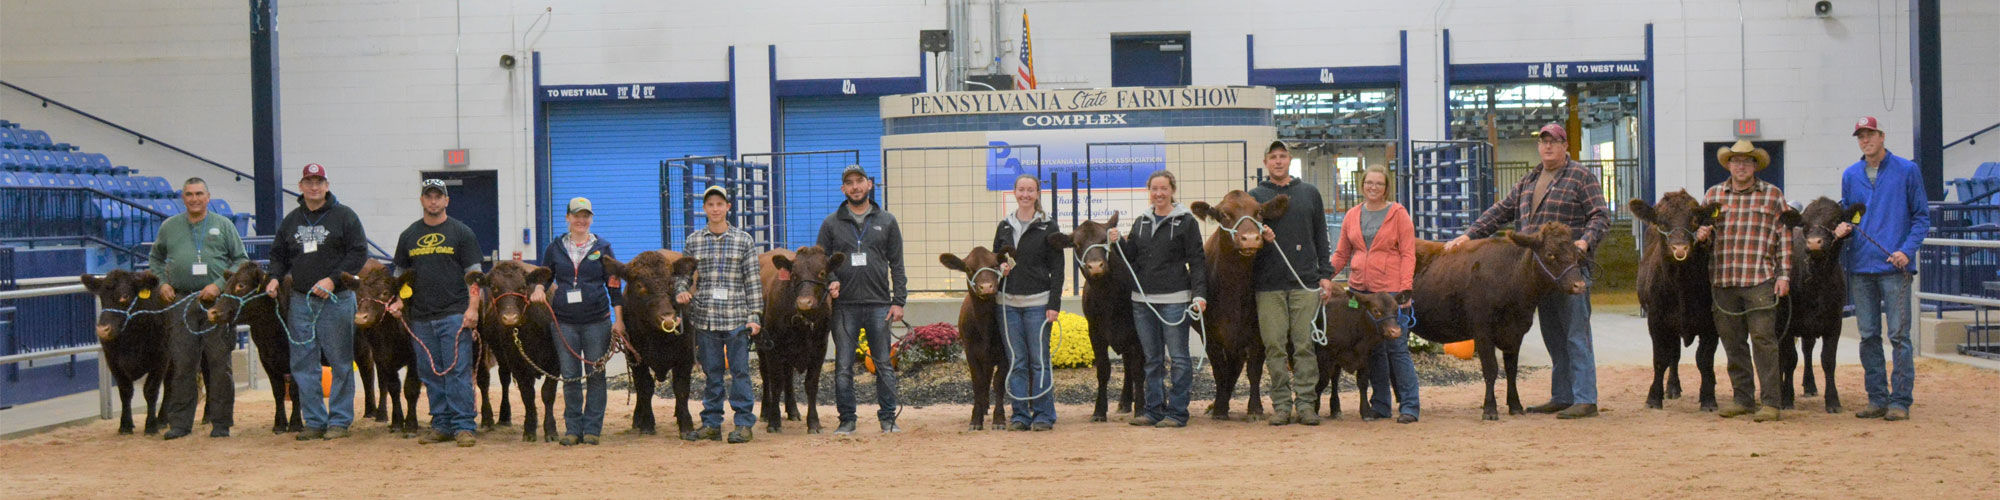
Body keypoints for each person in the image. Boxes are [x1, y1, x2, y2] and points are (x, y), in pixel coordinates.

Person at [1446, 122, 1610, 419]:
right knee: (1554, 336)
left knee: (1575, 333)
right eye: (1543, 141)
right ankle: (1563, 395)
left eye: (1554, 141)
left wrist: (1585, 241)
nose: (1548, 146)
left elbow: (1600, 215)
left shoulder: (1581, 177)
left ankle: (1585, 398)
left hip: (1569, 268)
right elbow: (1501, 210)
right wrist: (1470, 234)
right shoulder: (1529, 180)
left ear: (1565, 147)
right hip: (1538, 274)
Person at [264, 163, 369, 441]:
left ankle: (339, 420)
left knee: (340, 361)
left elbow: (358, 252)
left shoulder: (345, 217)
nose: (314, 187)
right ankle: (314, 420)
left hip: (337, 299)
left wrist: (333, 279)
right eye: (308, 181)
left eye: (319, 181)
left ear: (327, 185)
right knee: (303, 362)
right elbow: (278, 255)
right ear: (300, 186)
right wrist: (274, 277)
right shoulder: (291, 221)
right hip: (301, 300)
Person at [1835, 117, 1929, 422]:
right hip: (1861, 266)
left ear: (1882, 136)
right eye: (1861, 136)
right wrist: (1843, 229)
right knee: (1869, 335)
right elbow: (1851, 213)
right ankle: (1876, 397)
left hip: (1895, 266)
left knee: (1899, 335)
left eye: (1870, 134)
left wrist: (1906, 250)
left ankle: (1900, 400)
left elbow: (1921, 217)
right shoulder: (1851, 175)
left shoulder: (1907, 170)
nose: (1866, 140)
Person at [1696, 140, 1792, 423]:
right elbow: (1704, 231)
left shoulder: (1772, 195)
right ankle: (1743, 398)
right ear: (1728, 165)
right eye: (1736, 161)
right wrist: (1701, 234)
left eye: (1747, 161)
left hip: (1760, 278)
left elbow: (1784, 236)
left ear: (1755, 166)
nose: (1741, 166)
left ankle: (1771, 402)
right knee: (1732, 342)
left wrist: (1784, 274)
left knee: (1764, 340)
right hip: (1723, 280)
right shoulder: (1713, 195)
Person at [151, 177, 250, 439]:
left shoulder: (223, 225)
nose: (194, 199)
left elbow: (241, 260)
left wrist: (219, 285)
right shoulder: (169, 227)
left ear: (208, 197)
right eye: (189, 194)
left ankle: (220, 423)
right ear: (182, 198)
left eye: (199, 194)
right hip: (181, 302)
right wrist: (162, 282)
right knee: (182, 364)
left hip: (216, 303)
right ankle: (181, 424)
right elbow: (155, 258)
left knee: (219, 363)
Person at [388, 179, 484, 446]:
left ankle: (464, 425)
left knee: (457, 371)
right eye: (428, 196)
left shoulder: (461, 232)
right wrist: (397, 301)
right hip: (420, 317)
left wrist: (473, 308)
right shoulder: (408, 235)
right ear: (421, 200)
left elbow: (474, 274)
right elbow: (400, 276)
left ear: (446, 201)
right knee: (430, 373)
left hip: (454, 313)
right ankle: (441, 424)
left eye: (438, 196)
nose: (433, 201)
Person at [1109, 170, 1207, 429]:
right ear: (1149, 191)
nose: (1159, 193)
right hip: (1142, 301)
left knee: (1179, 358)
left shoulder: (1186, 222)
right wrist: (1117, 243)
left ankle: (1177, 412)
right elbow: (1131, 257)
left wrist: (1199, 294)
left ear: (1172, 190)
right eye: (1154, 189)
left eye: (1163, 188)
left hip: (1175, 300)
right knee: (1151, 359)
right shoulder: (1141, 221)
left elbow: (1197, 260)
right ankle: (1153, 410)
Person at [1248, 141, 1335, 426]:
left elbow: (1321, 236)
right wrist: (1263, 237)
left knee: (1304, 346)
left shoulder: (1309, 194)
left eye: (1282, 156)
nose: (1278, 161)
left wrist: (1325, 274)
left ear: (1290, 160)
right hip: (1268, 284)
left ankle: (1307, 405)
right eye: (1272, 157)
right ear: (1265, 161)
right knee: (1274, 347)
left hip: (1305, 282)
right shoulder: (1255, 197)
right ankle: (1282, 405)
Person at [818, 165, 908, 435]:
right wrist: (830, 279)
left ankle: (888, 418)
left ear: (870, 184)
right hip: (844, 306)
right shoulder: (831, 223)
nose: (855, 186)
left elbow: (898, 264)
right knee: (843, 366)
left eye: (860, 181)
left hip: (880, 304)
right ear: (843, 189)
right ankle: (847, 419)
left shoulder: (888, 221)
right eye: (849, 183)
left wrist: (899, 300)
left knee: (883, 363)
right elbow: (822, 262)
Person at [1328, 167, 1421, 424]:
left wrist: (1405, 290)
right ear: (1362, 185)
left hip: (1390, 292)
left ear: (1386, 187)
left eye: (1379, 183)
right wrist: (1325, 276)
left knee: (1396, 348)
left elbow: (1408, 253)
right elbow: (1341, 254)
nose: (1374, 187)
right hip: (1362, 292)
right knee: (1374, 351)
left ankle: (1410, 406)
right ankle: (1381, 405)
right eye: (1369, 182)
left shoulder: (1398, 215)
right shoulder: (1352, 215)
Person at [531, 197, 622, 445]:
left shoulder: (602, 248)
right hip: (564, 322)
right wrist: (539, 287)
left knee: (595, 374)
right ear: (568, 218)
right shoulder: (555, 247)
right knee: (570, 376)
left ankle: (592, 429)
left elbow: (614, 284)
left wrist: (619, 319)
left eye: (586, 216)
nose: (581, 220)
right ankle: (573, 429)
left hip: (597, 322)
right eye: (576, 215)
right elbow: (546, 275)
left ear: (591, 219)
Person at [684, 186, 763, 444]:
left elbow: (752, 281)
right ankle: (711, 423)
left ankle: (743, 423)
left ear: (728, 207)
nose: (715, 209)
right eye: (710, 204)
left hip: (736, 318)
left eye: (720, 204)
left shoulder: (744, 240)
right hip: (705, 317)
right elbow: (683, 277)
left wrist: (755, 316)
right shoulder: (693, 241)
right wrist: (680, 291)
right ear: (704, 209)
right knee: (712, 373)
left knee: (740, 372)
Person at [992, 174, 1064, 431]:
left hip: (1038, 304)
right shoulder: (1004, 226)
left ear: (1037, 194)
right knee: (1017, 361)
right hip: (1007, 304)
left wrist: (1054, 304)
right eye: (1021, 190)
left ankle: (1044, 414)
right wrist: (1001, 267)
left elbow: (1058, 269)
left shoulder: (1049, 226)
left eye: (1030, 190)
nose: (1025, 194)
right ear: (1014, 192)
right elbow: (995, 261)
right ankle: (1020, 415)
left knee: (1039, 360)